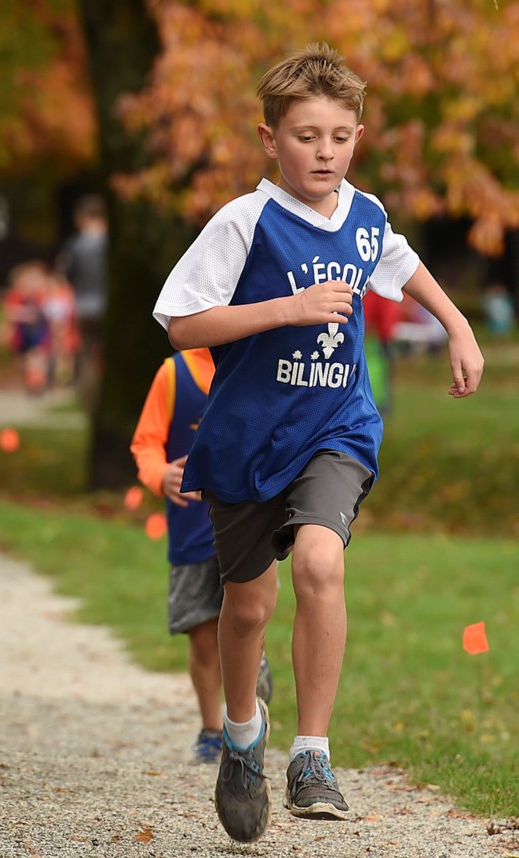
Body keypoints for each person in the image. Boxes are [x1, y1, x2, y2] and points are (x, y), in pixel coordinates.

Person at [153, 43, 483, 843]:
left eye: (339, 135)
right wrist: (285, 310)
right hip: (244, 440)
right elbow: (180, 325)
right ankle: (241, 739)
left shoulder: (365, 216)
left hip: (336, 426)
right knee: (246, 608)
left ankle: (312, 755)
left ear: (357, 137)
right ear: (271, 139)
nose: (324, 151)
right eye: (306, 136)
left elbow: (402, 267)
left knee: (320, 562)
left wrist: (459, 324)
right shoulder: (245, 220)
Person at [131, 349, 273, 764]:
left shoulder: (263, 359)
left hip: (251, 523)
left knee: (248, 618)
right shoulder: (175, 373)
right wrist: (159, 474)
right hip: (192, 529)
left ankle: (244, 711)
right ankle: (213, 729)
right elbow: (146, 443)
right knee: (203, 637)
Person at [56, 194, 108, 399]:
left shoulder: (75, 245)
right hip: (107, 306)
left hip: (84, 305)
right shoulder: (112, 244)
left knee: (86, 356)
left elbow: (68, 275)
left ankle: (90, 396)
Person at [1, 261, 51, 395]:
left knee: (37, 357)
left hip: (39, 332)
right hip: (22, 333)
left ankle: (37, 383)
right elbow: (9, 312)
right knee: (23, 360)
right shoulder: (17, 295)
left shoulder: (43, 295)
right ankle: (32, 381)